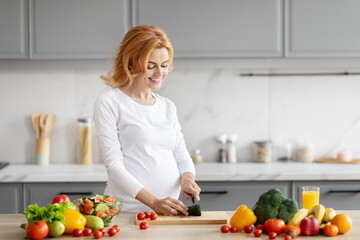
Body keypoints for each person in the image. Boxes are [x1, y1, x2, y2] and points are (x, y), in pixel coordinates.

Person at [93, 25, 201, 215]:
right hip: (127, 212)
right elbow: (114, 167)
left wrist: (188, 178)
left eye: (165, 65)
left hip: (168, 212)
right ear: (131, 63)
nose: (160, 73)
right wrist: (154, 202)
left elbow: (181, 154)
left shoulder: (167, 106)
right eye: (151, 66)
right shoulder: (110, 103)